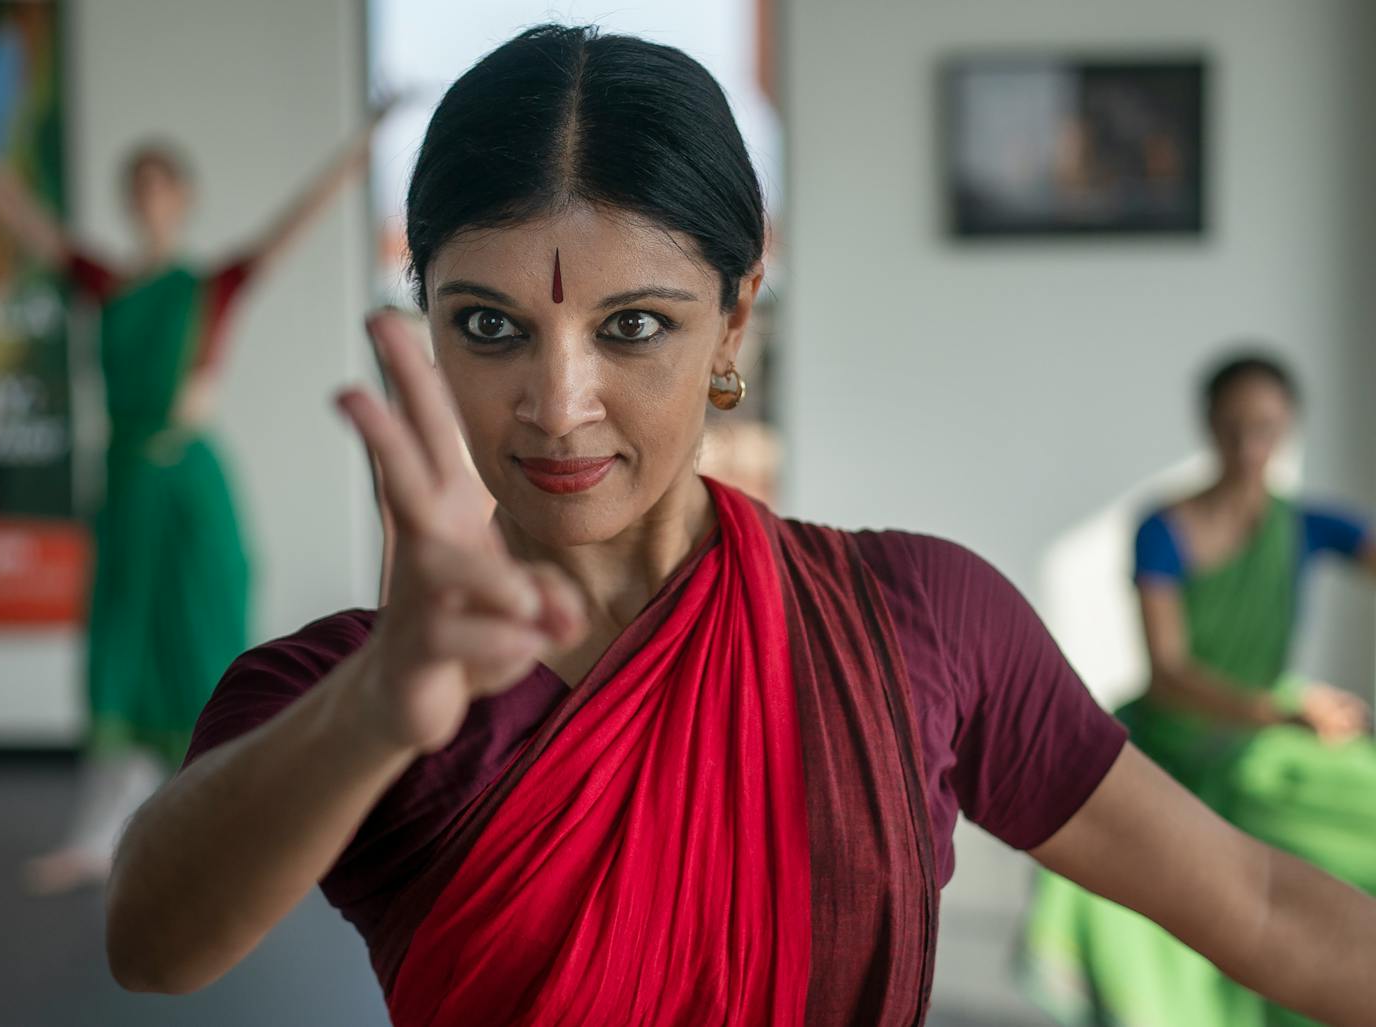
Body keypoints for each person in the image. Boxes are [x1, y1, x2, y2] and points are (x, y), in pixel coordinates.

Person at [104, 26, 1376, 1026]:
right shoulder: (348, 688)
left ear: (734, 321)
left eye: (633, 326)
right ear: (424, 317)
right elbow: (152, 945)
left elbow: (1255, 901)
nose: (558, 406)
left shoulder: (915, 623)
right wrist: (379, 707)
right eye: (488, 324)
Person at [0, 91, 396, 893]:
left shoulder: (210, 286)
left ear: (182, 198)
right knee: (117, 645)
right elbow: (16, 212)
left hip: (190, 485)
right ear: (131, 200)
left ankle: (230, 824)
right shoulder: (102, 281)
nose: (151, 198)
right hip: (124, 486)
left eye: (164, 185)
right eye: (140, 186)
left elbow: (294, 220)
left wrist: (364, 138)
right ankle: (98, 834)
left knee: (203, 638)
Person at [1021, 354, 1376, 1026]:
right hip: (1180, 738)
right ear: (1209, 426)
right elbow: (1170, 671)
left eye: (1266, 428)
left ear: (1287, 429)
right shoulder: (1163, 530)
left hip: (1270, 736)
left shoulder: (1301, 525)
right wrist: (1283, 712)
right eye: (1234, 427)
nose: (1249, 446)